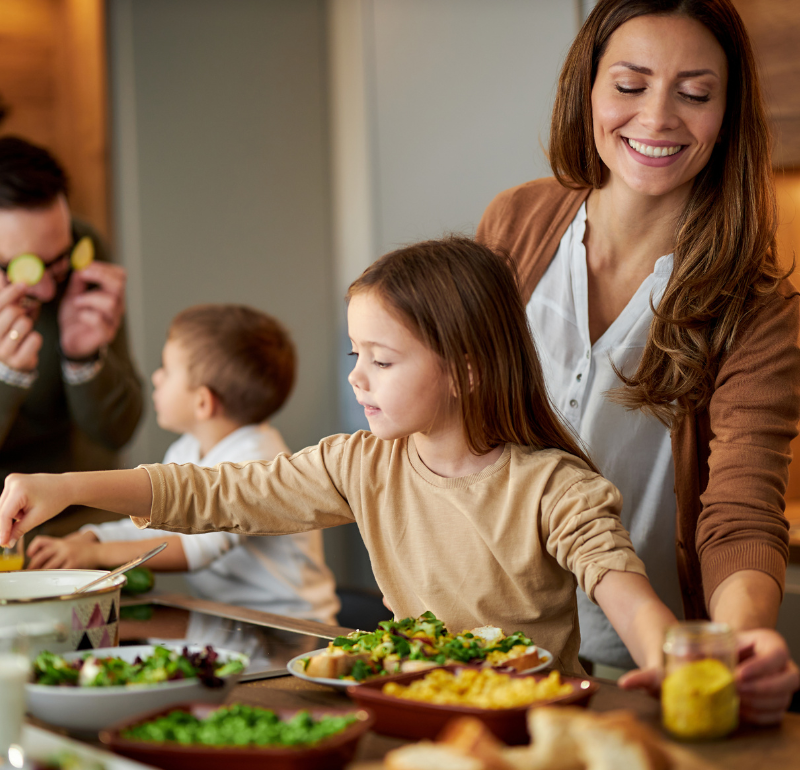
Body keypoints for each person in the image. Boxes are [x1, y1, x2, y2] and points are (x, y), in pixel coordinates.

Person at [0, 237, 679, 676]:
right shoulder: (361, 465)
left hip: (529, 723)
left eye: (381, 360)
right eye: (357, 354)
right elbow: (213, 494)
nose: (356, 377)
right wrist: (66, 487)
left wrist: (670, 665)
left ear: (466, 371)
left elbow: (624, 591)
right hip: (412, 709)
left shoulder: (554, 487)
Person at [476, 0, 800, 723]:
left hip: (640, 667)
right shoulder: (514, 224)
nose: (657, 119)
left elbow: (741, 512)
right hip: (485, 645)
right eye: (629, 85)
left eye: (695, 94)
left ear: (728, 113)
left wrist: (740, 642)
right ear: (587, 90)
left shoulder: (756, 305)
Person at [24, 304, 340, 625]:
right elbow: (158, 522)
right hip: (229, 619)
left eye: (167, 369)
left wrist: (95, 555)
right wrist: (93, 538)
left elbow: (198, 548)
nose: (156, 377)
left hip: (291, 624)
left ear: (202, 402)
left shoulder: (258, 459)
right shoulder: (187, 448)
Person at [0, 136, 143, 531]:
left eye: (58, 263)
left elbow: (118, 431)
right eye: (24, 267)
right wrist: (6, 378)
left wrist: (85, 359)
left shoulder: (85, 249)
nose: (48, 290)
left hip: (78, 517)